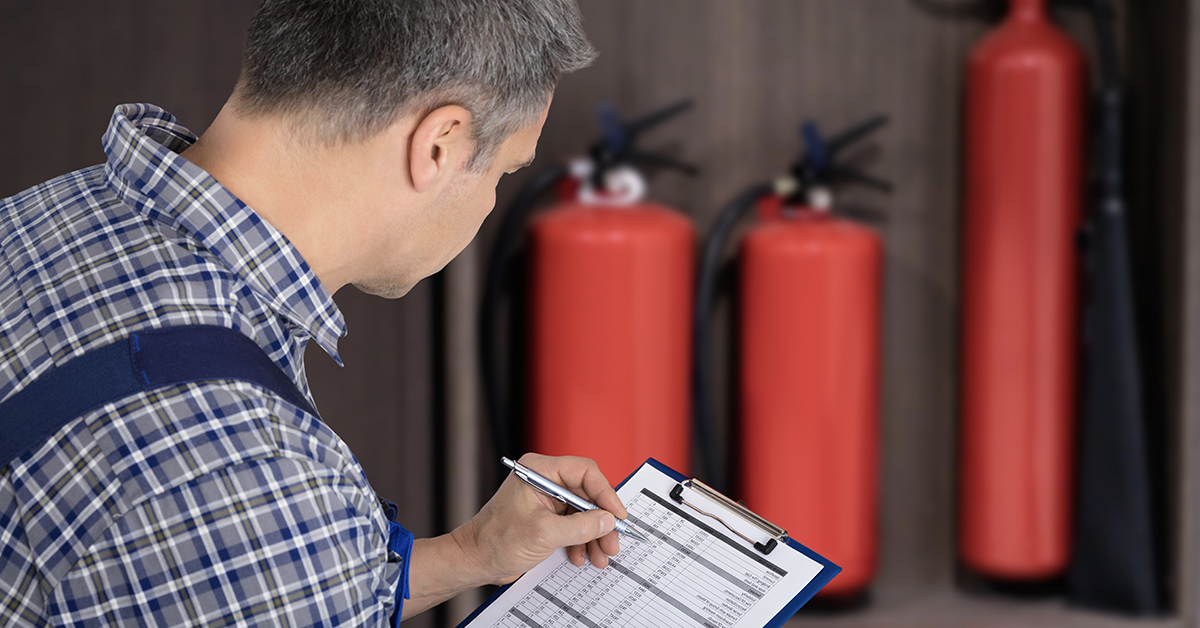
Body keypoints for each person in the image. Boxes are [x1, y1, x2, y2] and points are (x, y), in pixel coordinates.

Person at [0, 1, 626, 626]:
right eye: (504, 170)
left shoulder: (41, 218)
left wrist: (473, 554)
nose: (492, 199)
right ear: (439, 145)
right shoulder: (256, 482)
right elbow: (265, 563)